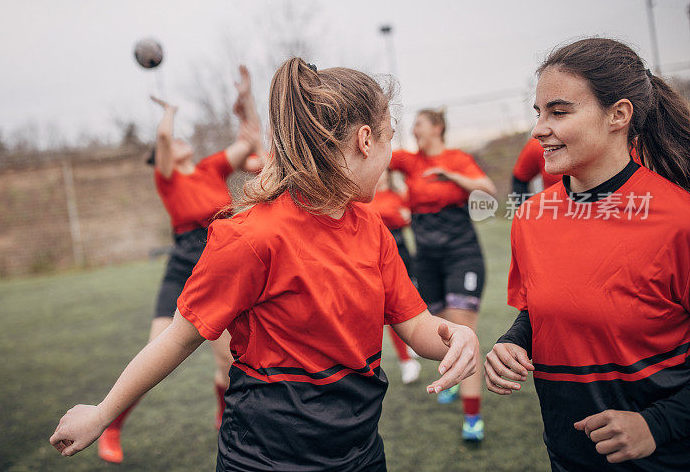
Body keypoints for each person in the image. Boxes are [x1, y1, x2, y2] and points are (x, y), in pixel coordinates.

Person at [51, 58, 480, 470]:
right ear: (366, 140)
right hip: (265, 461)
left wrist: (454, 336)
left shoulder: (373, 229)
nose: (391, 156)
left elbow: (417, 325)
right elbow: (179, 339)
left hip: (361, 455)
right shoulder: (251, 237)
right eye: (389, 137)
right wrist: (103, 412)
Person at [485, 37, 690, 471]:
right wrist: (512, 343)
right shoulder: (531, 217)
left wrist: (659, 424)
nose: (539, 129)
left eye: (559, 112)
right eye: (538, 113)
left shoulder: (679, 219)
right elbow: (542, 310)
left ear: (618, 115)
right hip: (567, 457)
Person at [96, 66, 263, 464]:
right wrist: (169, 110)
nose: (180, 141)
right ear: (162, 158)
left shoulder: (210, 169)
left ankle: (223, 415)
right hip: (184, 261)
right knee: (156, 350)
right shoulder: (167, 178)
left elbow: (250, 138)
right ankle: (111, 426)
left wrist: (248, 97)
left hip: (220, 259)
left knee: (228, 362)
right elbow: (166, 136)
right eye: (172, 144)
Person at [389, 108, 496, 441]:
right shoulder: (410, 161)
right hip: (427, 261)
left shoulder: (456, 158)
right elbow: (376, 154)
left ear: (436, 128)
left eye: (419, 123)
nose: (413, 129)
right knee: (439, 330)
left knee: (463, 329)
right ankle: (455, 379)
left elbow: (487, 188)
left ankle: (473, 418)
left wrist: (453, 178)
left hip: (462, 255)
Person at [365, 170, 422, 384]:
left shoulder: (396, 196)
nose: (380, 177)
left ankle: (413, 343)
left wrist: (395, 215)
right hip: (375, 256)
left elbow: (406, 218)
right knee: (388, 309)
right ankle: (405, 360)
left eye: (384, 174)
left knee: (410, 302)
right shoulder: (365, 197)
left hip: (401, 252)